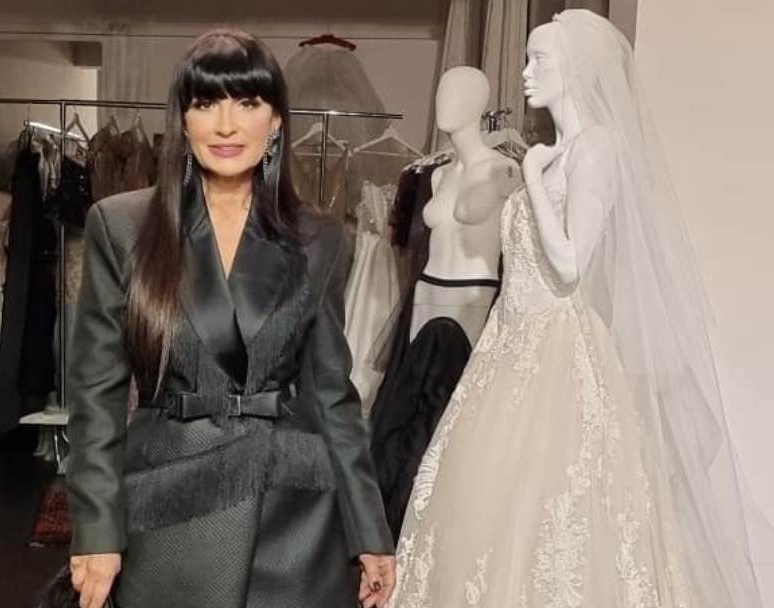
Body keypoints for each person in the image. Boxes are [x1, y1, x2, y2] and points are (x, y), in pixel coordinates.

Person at [386, 10, 762, 608]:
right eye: (528, 58)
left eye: (540, 60)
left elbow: (569, 265)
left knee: (551, 511)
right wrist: (538, 171)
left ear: (577, 69)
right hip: (506, 349)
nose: (526, 72)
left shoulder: (597, 150)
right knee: (480, 510)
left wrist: (533, 180)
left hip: (558, 353)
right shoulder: (555, 153)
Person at [65, 29, 396, 608]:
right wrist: (96, 530)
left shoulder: (320, 238)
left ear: (276, 121)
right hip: (170, 499)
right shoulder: (122, 226)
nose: (225, 125)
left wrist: (369, 530)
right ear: (183, 118)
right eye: (205, 103)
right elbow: (96, 395)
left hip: (290, 510)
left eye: (247, 103)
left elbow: (331, 397)